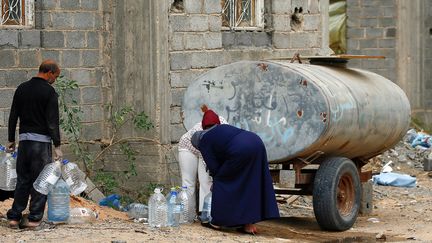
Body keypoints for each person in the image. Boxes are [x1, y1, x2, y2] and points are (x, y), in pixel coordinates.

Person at [191, 109, 279, 234]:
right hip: (257, 143)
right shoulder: (220, 130)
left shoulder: (204, 142)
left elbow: (215, 169)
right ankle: (248, 225)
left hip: (240, 149)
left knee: (222, 181)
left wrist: (216, 183)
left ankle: (217, 221)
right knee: (250, 182)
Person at [6, 60, 63, 229]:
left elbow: (13, 115)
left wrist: (11, 139)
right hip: (41, 144)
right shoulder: (49, 92)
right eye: (56, 76)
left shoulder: (21, 88)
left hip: (24, 142)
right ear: (49, 72)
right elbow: (52, 122)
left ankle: (14, 217)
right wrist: (57, 146)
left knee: (23, 180)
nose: (55, 80)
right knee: (41, 182)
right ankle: (34, 219)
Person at [178, 105, 227, 217]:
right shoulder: (199, 132)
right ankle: (187, 215)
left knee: (206, 182)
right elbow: (207, 160)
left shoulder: (224, 124)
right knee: (188, 182)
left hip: (204, 149)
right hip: (188, 148)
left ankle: (205, 213)